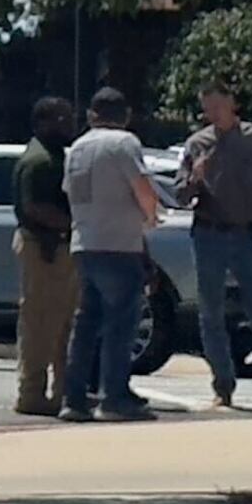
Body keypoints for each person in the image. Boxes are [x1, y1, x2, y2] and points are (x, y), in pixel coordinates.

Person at [178, 80, 252, 411]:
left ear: (233, 103)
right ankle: (223, 385)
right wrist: (195, 178)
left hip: (247, 236)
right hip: (208, 234)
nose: (213, 113)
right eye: (207, 107)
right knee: (211, 313)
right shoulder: (196, 144)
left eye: (218, 105)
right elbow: (180, 196)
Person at [59, 87, 163, 422]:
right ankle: (114, 397)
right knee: (122, 323)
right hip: (119, 243)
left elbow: (69, 192)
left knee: (87, 321)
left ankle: (74, 397)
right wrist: (150, 217)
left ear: (92, 114)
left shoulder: (76, 148)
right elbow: (143, 187)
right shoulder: (124, 143)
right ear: (125, 115)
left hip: (84, 243)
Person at [9, 96, 80, 417]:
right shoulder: (40, 161)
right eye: (62, 119)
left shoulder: (54, 156)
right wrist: (75, 223)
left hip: (55, 247)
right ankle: (31, 393)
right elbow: (35, 207)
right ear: (42, 123)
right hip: (44, 248)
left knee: (64, 323)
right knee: (40, 323)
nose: (69, 124)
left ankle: (64, 391)